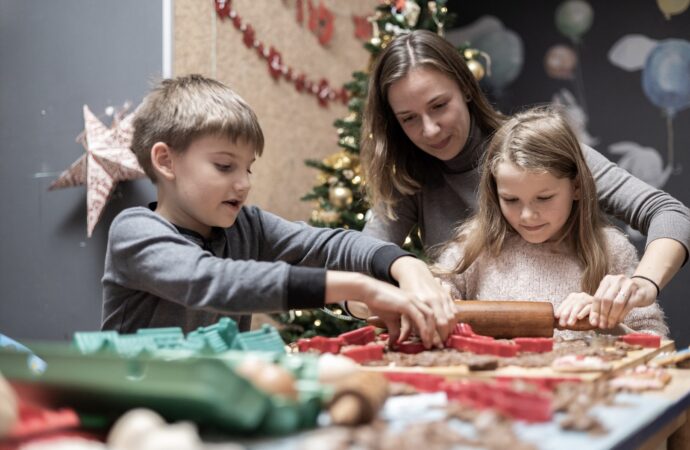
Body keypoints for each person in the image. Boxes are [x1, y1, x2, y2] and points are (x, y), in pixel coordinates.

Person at [360, 30, 689, 330]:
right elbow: (360, 265)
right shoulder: (410, 183)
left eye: (440, 105)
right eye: (409, 118)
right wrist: (400, 295)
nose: (430, 129)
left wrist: (642, 284)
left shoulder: (538, 150)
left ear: (466, 88)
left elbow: (670, 214)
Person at [101, 74, 456, 348]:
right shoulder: (134, 230)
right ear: (166, 161)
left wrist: (404, 264)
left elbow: (329, 245)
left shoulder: (247, 226)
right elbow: (211, 280)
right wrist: (361, 288)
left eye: (248, 168)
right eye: (225, 166)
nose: (244, 183)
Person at [430, 106, 668, 339]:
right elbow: (432, 305)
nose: (527, 216)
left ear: (575, 186)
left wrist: (605, 323)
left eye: (544, 198)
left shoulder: (611, 250)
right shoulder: (475, 246)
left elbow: (655, 345)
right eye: (511, 199)